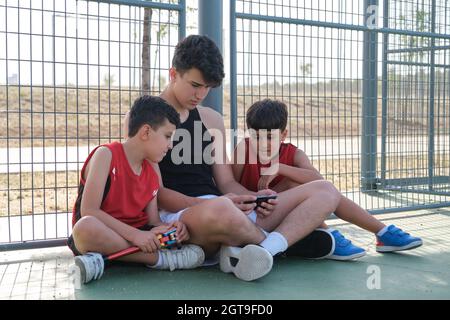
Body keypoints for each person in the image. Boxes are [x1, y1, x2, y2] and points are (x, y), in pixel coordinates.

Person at [125, 35, 342, 282]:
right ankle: (285, 242)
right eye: (195, 85)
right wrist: (209, 204)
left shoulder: (212, 119)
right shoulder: (144, 117)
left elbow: (226, 183)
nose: (201, 94)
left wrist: (250, 199)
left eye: (208, 87)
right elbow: (156, 193)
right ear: (173, 74)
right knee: (220, 209)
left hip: (226, 207)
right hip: (184, 217)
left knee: (326, 190)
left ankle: (259, 249)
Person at [232, 98, 423, 260]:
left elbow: (319, 180)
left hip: (292, 215)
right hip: (255, 214)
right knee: (301, 185)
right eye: (256, 137)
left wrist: (279, 167)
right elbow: (229, 186)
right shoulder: (244, 149)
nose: (263, 143)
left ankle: (381, 232)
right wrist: (253, 198)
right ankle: (330, 233)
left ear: (283, 135)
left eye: (269, 137)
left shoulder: (294, 154)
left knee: (310, 186)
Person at [67, 96, 205, 282]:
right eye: (167, 136)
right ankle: (161, 260)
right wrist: (135, 236)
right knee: (85, 228)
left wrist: (172, 228)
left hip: (139, 237)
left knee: (176, 235)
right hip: (105, 232)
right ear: (146, 132)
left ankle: (103, 259)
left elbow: (153, 221)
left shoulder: (151, 172)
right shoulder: (106, 154)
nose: (170, 145)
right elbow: (89, 211)